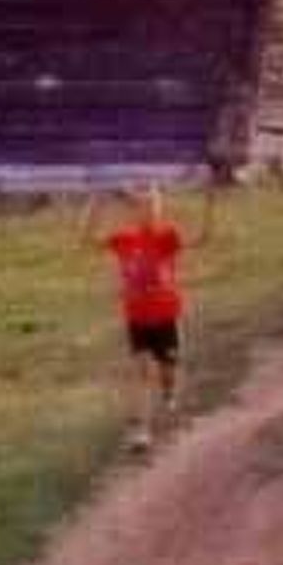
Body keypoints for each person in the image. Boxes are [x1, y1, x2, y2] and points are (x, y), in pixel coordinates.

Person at [82, 183, 214, 451]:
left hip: (166, 315)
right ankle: (141, 431)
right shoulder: (124, 240)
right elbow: (87, 239)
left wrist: (209, 204)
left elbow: (200, 238)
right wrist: (95, 205)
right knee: (141, 373)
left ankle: (169, 389)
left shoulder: (167, 237)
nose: (150, 210)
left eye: (154, 205)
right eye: (144, 206)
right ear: (135, 212)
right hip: (137, 318)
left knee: (169, 368)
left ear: (160, 209)